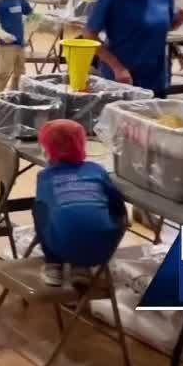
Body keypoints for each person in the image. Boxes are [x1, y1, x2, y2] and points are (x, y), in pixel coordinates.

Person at [33, 120, 126, 287]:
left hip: (63, 246)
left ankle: (53, 265)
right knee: (106, 208)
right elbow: (117, 203)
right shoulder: (97, 170)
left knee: (40, 209)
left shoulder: (45, 176)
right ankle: (81, 268)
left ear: (46, 150)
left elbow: (47, 209)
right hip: (104, 249)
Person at [84, 0, 183, 97]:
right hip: (122, 78)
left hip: (155, 76)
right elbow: (89, 36)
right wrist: (117, 67)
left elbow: (162, 28)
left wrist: (180, 19)